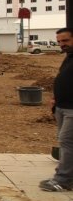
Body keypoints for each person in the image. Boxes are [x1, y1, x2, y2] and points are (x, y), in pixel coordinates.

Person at [40, 27, 73, 192]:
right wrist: (55, 98)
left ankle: (63, 180)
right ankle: (65, 176)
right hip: (61, 106)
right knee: (65, 142)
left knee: (67, 142)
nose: (62, 44)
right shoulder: (68, 57)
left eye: (65, 40)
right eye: (59, 41)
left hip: (71, 109)